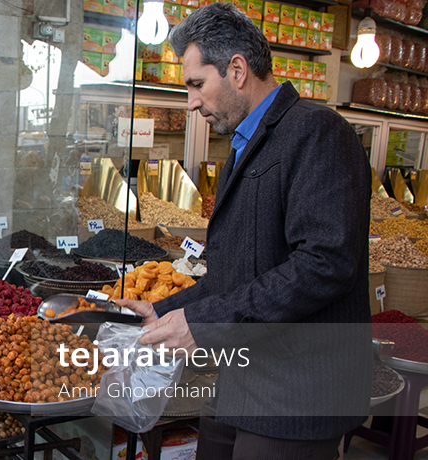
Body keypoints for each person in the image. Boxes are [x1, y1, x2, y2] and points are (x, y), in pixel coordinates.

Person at [116, 4, 372, 459]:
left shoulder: (316, 132)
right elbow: (239, 272)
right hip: (242, 377)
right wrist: (163, 311)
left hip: (296, 394)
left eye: (196, 84)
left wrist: (205, 324)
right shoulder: (245, 144)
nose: (191, 102)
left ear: (237, 70)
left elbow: (325, 264)